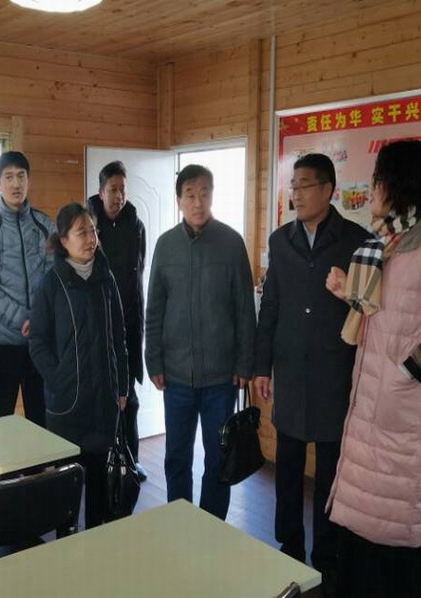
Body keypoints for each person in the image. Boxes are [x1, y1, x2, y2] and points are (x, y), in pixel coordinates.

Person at [325, 140, 421, 597]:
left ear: (398, 185)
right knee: (363, 532)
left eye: (378, 181)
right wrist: (348, 292)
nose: (372, 190)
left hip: (402, 418)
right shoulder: (391, 243)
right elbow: (390, 314)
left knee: (394, 539)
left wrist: (405, 374)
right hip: (372, 412)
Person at [254, 154, 370, 593]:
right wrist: (261, 366)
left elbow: (369, 309)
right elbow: (270, 306)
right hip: (290, 369)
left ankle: (327, 552)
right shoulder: (281, 240)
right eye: (293, 186)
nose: (296, 194)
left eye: (304, 186)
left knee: (329, 470)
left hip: (335, 370)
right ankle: (288, 545)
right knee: (286, 465)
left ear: (328, 190)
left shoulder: (356, 241)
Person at [145, 164, 256, 520]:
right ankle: (179, 525)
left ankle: (211, 528)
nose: (198, 201)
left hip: (221, 379)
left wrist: (245, 363)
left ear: (212, 196)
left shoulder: (231, 243)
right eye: (190, 195)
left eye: (204, 193)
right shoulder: (166, 245)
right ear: (179, 200)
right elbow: (154, 308)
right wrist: (153, 359)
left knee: (218, 458)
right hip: (176, 375)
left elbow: (245, 309)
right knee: (177, 456)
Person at [29, 203, 128, 529]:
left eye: (93, 230)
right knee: (66, 492)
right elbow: (38, 342)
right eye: (81, 232)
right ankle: (66, 543)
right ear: (63, 241)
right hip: (67, 406)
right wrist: (60, 380)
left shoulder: (105, 278)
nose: (90, 238)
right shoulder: (51, 283)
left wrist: (122, 386)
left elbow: (119, 336)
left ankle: (97, 541)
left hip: (102, 402)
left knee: (100, 487)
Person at [0, 151, 54, 426]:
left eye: (21, 176)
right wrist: (23, 319)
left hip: (40, 342)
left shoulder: (45, 225)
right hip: (2, 344)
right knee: (1, 421)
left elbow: (54, 281)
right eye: (8, 177)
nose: (16, 183)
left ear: (29, 181)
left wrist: (40, 319)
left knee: (41, 420)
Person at [86, 160, 149, 481]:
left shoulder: (136, 225)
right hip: (98, 328)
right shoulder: (87, 226)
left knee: (129, 400)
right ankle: (98, 468)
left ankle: (130, 462)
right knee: (99, 403)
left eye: (123, 189)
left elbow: (139, 273)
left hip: (129, 326)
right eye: (113, 189)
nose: (119, 196)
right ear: (101, 192)